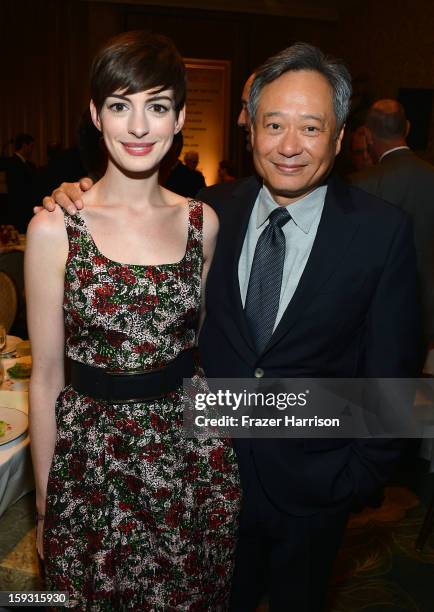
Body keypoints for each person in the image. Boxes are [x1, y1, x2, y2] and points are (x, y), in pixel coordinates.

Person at [40, 43, 420, 612]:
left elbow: (393, 377)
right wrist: (71, 195)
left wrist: (354, 480)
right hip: (204, 474)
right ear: (250, 128)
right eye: (274, 124)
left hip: (313, 492)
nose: (289, 146)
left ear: (340, 138)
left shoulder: (381, 233)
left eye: (311, 127)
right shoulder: (212, 212)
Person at [26, 30, 240, 610]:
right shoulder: (54, 227)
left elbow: (199, 353)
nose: (139, 127)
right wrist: (47, 504)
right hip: (93, 462)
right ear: (96, 115)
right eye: (121, 106)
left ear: (179, 119)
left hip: (189, 461)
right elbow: (46, 378)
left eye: (157, 106)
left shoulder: (204, 223)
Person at [349, 99, 434, 351]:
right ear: (407, 128)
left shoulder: (360, 184)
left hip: (372, 311)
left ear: (368, 135)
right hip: (426, 313)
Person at [5, 133, 37, 232]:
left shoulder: (29, 164)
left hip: (25, 208)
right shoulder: (12, 163)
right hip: (18, 209)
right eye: (31, 146)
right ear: (24, 145)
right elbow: (18, 188)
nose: (32, 150)